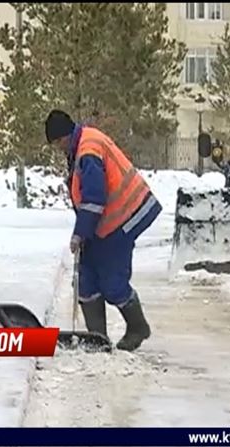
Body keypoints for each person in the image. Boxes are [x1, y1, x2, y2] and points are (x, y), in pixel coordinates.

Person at [45, 110, 162, 352]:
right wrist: (85, 231)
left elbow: (94, 199)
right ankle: (98, 339)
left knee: (112, 282)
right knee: (87, 280)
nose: (58, 148)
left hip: (125, 215)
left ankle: (138, 327)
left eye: (57, 142)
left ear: (65, 136)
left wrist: (80, 233)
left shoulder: (88, 150)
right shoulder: (80, 145)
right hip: (104, 222)